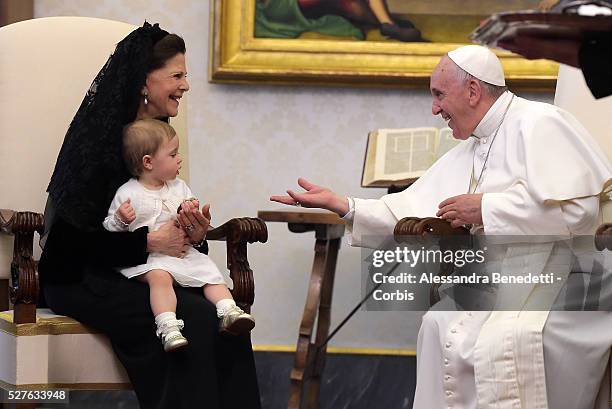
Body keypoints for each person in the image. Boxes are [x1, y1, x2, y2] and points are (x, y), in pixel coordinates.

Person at [271, 45, 612, 408]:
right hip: (502, 281)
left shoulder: (541, 123)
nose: (435, 109)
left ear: (473, 91)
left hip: (565, 278)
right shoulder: (474, 145)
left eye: (438, 94)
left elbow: (578, 213)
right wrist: (343, 205)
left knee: (510, 338)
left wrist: (487, 209)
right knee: (439, 323)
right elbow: (407, 209)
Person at [39, 22, 261, 409]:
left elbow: (161, 213)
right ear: (145, 82)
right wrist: (146, 243)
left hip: (149, 269)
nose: (186, 86)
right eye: (177, 76)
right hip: (82, 278)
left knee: (228, 322)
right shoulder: (98, 142)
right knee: (192, 317)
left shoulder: (159, 135)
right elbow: (64, 250)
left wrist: (192, 231)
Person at [103, 119, 255, 352]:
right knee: (160, 278)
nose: (179, 159)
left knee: (208, 271)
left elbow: (188, 212)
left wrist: (190, 211)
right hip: (150, 258)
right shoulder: (128, 192)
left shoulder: (178, 187)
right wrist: (121, 218)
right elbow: (110, 229)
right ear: (148, 162)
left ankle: (228, 310)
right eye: (173, 154)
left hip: (181, 254)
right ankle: (168, 326)